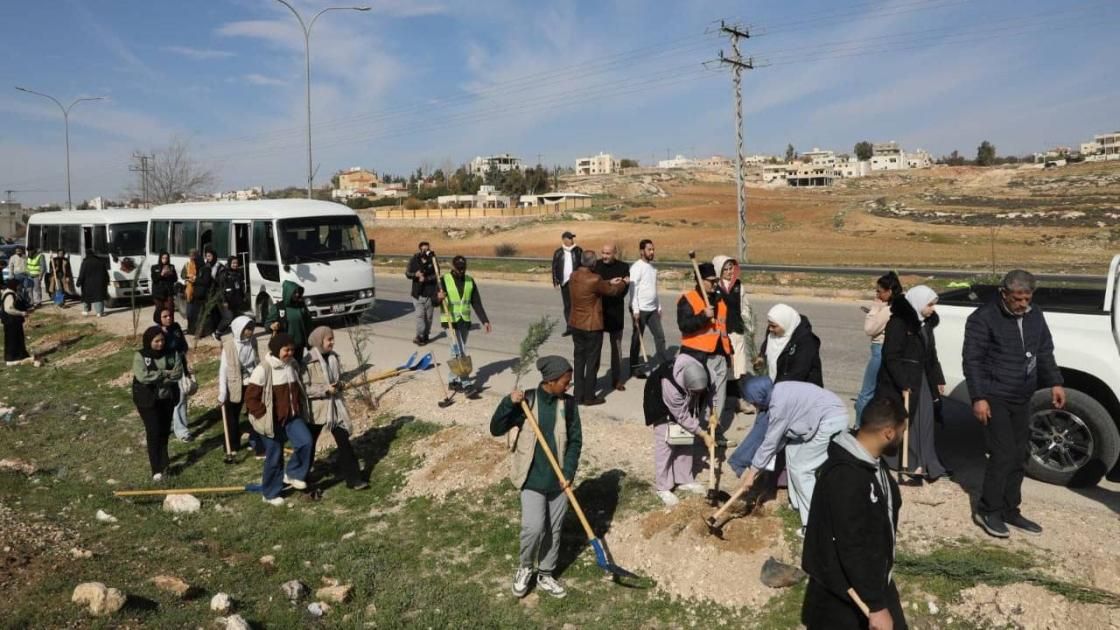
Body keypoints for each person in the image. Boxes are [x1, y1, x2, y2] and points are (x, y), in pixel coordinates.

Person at [964, 270, 1064, 538]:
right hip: (994, 394)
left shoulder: (1035, 314)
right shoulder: (983, 318)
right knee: (1003, 453)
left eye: (1027, 298)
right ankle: (988, 510)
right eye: (1017, 299)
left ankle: (1010, 509)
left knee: (1020, 453)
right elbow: (972, 360)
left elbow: (1044, 350)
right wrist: (978, 397)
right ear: (1003, 293)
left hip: (1022, 393)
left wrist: (1055, 382)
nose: (1022, 304)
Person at [801, 396, 907, 630]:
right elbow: (852, 545)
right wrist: (876, 606)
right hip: (845, 593)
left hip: (872, 578)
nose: (903, 438)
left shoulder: (872, 461)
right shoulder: (845, 477)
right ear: (889, 433)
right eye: (902, 431)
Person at [489, 356, 583, 600]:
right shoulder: (527, 402)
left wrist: (568, 472)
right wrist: (508, 403)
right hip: (532, 479)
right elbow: (496, 429)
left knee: (554, 529)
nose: (568, 386)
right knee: (533, 528)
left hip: (559, 481)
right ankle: (525, 567)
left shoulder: (568, 405)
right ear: (551, 381)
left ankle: (546, 573)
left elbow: (575, 441)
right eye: (565, 382)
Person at [734, 376, 849, 532]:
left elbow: (770, 443)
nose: (754, 406)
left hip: (831, 421)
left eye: (754, 402)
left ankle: (814, 526)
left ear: (760, 397)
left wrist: (751, 474)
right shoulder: (777, 390)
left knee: (802, 469)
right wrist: (759, 467)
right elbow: (778, 441)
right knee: (791, 451)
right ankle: (798, 505)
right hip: (823, 416)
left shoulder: (779, 407)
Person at [878, 285, 947, 483]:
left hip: (922, 380)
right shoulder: (899, 323)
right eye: (930, 304)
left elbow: (931, 355)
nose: (933, 309)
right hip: (906, 380)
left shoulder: (925, 325)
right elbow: (890, 356)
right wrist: (903, 382)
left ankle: (928, 463)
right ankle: (910, 463)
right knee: (910, 423)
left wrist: (938, 378)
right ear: (918, 303)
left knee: (925, 421)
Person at [245, 332, 314, 506]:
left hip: (292, 418)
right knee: (275, 457)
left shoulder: (292, 365)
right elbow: (251, 398)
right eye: (286, 350)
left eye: (292, 350)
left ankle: (293, 473)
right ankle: (270, 493)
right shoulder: (264, 369)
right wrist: (262, 414)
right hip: (271, 422)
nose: (289, 353)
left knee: (306, 442)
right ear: (277, 350)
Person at [302, 326, 368, 490]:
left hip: (335, 408)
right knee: (308, 445)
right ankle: (301, 476)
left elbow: (339, 378)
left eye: (333, 339)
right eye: (329, 339)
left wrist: (340, 384)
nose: (332, 342)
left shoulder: (333, 357)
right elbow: (304, 388)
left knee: (344, 443)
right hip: (317, 410)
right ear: (319, 341)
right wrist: (324, 389)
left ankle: (354, 480)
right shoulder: (308, 361)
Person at [652, 352, 717, 506]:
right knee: (666, 444)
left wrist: (714, 411)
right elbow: (681, 416)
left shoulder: (707, 373)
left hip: (684, 401)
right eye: (695, 392)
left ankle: (683, 479)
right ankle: (663, 487)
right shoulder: (670, 384)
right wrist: (703, 434)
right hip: (660, 404)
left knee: (685, 439)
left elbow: (712, 391)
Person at [568, 250, 627, 405]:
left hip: (576, 323)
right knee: (592, 361)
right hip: (592, 325)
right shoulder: (595, 278)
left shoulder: (573, 276)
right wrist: (623, 283)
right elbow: (613, 291)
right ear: (593, 263)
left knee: (579, 360)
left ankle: (578, 395)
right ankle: (589, 397)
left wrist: (608, 281)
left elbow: (595, 286)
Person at [677, 262, 731, 425]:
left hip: (719, 355)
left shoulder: (720, 300)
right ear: (700, 281)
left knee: (719, 397)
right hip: (698, 355)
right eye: (711, 281)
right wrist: (703, 316)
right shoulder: (688, 299)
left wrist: (729, 353)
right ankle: (690, 426)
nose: (714, 284)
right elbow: (684, 326)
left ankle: (713, 428)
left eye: (716, 280)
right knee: (695, 395)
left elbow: (723, 328)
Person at [131, 326, 183, 481]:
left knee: (164, 431)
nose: (160, 344)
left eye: (162, 340)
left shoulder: (172, 354)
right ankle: (156, 469)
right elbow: (142, 376)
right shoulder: (141, 356)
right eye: (156, 341)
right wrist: (164, 374)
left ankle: (165, 463)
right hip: (147, 400)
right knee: (153, 431)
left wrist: (159, 377)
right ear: (149, 341)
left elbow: (177, 373)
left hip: (167, 398)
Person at [436, 256, 491, 392]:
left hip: (464, 321)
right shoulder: (443, 280)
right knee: (459, 351)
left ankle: (452, 381)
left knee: (456, 351)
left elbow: (476, 302)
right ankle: (466, 384)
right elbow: (433, 300)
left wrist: (485, 320)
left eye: (463, 268)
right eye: (458, 268)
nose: (461, 271)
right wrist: (438, 298)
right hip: (450, 321)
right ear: (453, 267)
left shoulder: (469, 281)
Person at [855, 272, 903, 426]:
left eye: (879, 291)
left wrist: (874, 309)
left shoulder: (888, 310)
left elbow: (869, 329)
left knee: (866, 392)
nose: (877, 295)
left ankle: (859, 426)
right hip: (891, 351)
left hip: (880, 351)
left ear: (889, 291)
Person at [713, 255, 757, 411]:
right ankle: (727, 399)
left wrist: (749, 327)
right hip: (722, 334)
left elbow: (745, 308)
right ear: (718, 271)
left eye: (730, 268)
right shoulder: (715, 288)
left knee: (740, 365)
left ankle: (740, 399)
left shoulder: (738, 286)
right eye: (725, 269)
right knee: (727, 367)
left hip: (737, 332)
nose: (729, 272)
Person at [218, 315, 263, 456]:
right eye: (247, 329)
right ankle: (232, 445)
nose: (250, 331)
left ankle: (256, 442)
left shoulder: (252, 341)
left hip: (251, 382)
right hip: (235, 384)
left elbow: (256, 361)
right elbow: (223, 370)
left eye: (251, 328)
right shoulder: (229, 346)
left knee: (255, 413)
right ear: (239, 329)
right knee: (232, 415)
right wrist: (222, 392)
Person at [593, 243, 630, 391]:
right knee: (596, 349)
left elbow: (623, 290)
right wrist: (611, 285)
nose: (604, 256)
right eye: (603, 253)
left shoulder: (623, 267)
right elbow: (593, 286)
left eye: (608, 253)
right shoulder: (595, 266)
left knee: (616, 348)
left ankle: (616, 379)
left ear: (615, 253)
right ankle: (592, 379)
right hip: (599, 312)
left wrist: (607, 287)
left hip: (616, 313)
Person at [757, 304, 823, 386]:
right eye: (769, 325)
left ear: (785, 323)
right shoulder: (773, 333)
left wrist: (776, 389)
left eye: (773, 326)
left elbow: (798, 373)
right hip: (776, 387)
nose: (770, 329)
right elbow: (764, 351)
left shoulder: (806, 342)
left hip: (800, 389)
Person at [156, 307, 193, 443]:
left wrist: (186, 368)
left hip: (179, 369)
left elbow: (183, 346)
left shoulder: (176, 328)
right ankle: (164, 425)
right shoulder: (156, 332)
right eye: (165, 316)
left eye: (170, 315)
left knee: (180, 398)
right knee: (164, 400)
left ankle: (182, 431)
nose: (169, 318)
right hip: (164, 372)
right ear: (158, 318)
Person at [266, 280, 314, 362]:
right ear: (288, 293)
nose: (297, 294)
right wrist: (272, 325)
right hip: (284, 348)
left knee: (298, 366)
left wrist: (311, 340)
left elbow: (309, 323)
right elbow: (267, 324)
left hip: (299, 346)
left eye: (298, 292)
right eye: (294, 292)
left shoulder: (301, 306)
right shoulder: (278, 307)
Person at [405, 241, 439, 346]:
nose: (425, 251)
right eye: (423, 249)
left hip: (430, 294)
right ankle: (419, 336)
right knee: (420, 316)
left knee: (428, 318)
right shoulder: (414, 259)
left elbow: (437, 275)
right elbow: (407, 273)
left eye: (427, 249)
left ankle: (425, 335)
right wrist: (415, 275)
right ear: (420, 249)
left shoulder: (433, 260)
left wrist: (426, 279)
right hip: (417, 294)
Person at [551, 231, 582, 336]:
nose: (571, 240)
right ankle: (570, 327)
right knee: (568, 306)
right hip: (565, 283)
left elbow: (583, 265)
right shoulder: (558, 252)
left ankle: (578, 327)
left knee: (577, 305)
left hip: (576, 282)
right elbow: (554, 268)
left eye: (572, 238)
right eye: (569, 238)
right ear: (564, 239)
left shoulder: (578, 251)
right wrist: (556, 281)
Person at [2, 278, 38, 366]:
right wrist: (21, 313)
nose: (19, 287)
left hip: (14, 322)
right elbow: (8, 309)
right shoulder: (9, 294)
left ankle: (20, 356)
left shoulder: (12, 293)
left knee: (18, 339)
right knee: (13, 340)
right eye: (18, 285)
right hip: (11, 322)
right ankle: (12, 359)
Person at [218, 256, 247, 336]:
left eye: (236, 263)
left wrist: (243, 297)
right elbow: (221, 289)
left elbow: (240, 287)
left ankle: (236, 334)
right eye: (233, 263)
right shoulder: (224, 273)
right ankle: (218, 332)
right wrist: (224, 301)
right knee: (228, 317)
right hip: (227, 300)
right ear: (229, 263)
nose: (235, 265)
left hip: (236, 299)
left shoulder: (239, 273)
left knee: (236, 318)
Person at [76, 248, 110, 317]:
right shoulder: (100, 261)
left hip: (87, 284)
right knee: (99, 297)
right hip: (99, 283)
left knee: (87, 297)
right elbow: (105, 273)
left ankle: (86, 311)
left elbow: (82, 274)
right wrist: (107, 280)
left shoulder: (85, 262)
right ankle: (99, 312)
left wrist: (78, 282)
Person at [150, 251, 178, 319]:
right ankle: (160, 324)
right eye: (163, 258)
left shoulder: (171, 267)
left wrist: (171, 274)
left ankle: (170, 324)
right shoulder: (154, 267)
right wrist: (161, 274)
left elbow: (175, 279)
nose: (165, 260)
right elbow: (154, 279)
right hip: (158, 293)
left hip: (168, 292)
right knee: (160, 311)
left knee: (170, 310)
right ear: (160, 258)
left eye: (166, 258)